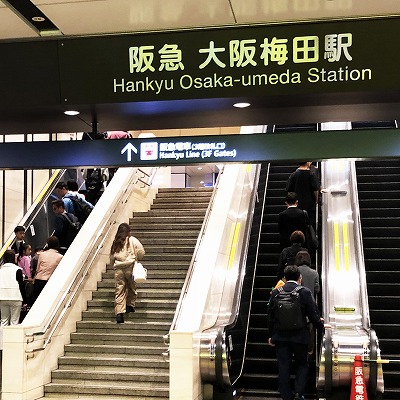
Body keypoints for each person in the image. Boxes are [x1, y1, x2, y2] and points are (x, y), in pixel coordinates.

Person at [267, 265, 324, 400]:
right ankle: (299, 393)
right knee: (302, 364)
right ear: (300, 278)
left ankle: (286, 395)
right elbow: (313, 314)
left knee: (283, 365)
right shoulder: (305, 292)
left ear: (285, 278)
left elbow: (270, 316)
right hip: (300, 336)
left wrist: (271, 336)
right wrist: (320, 326)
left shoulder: (276, 292)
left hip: (281, 337)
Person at [110, 223, 145, 324]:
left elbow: (112, 256)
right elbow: (141, 251)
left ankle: (119, 313)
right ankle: (130, 305)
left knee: (119, 289)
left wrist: (114, 264)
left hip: (118, 269)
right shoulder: (132, 240)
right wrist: (137, 258)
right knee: (131, 286)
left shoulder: (116, 242)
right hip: (130, 266)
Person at [286, 162, 319, 229]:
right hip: (309, 204)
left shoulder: (293, 175)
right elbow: (316, 187)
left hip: (297, 204)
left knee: (297, 225)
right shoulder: (311, 175)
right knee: (308, 226)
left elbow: (289, 189)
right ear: (307, 163)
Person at [31, 236, 63, 305]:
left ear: (47, 244)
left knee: (36, 303)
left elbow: (37, 269)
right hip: (49, 281)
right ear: (57, 245)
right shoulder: (60, 257)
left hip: (39, 280)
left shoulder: (42, 254)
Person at [0, 250, 27, 326]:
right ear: (13, 258)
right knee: (14, 321)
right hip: (16, 297)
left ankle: (2, 337)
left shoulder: (1, 270)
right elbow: (21, 285)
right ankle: (12, 337)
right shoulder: (17, 270)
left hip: (2, 297)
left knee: (3, 320)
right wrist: (25, 300)